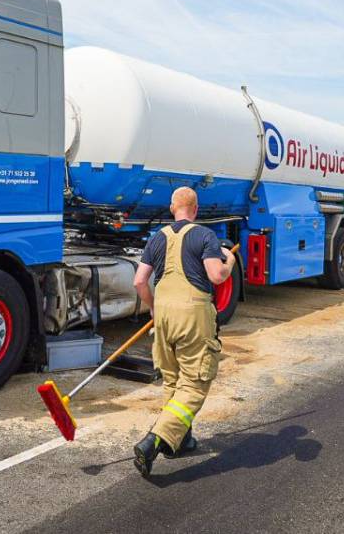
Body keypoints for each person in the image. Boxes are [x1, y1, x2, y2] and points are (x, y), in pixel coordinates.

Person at [130, 186, 235, 477]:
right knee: (195, 385)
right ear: (196, 209)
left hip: (163, 316)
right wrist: (230, 262)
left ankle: (180, 440)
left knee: (173, 382)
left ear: (171, 207)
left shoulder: (157, 237)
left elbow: (140, 282)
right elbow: (216, 275)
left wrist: (153, 307)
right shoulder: (205, 235)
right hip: (193, 316)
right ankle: (154, 440)